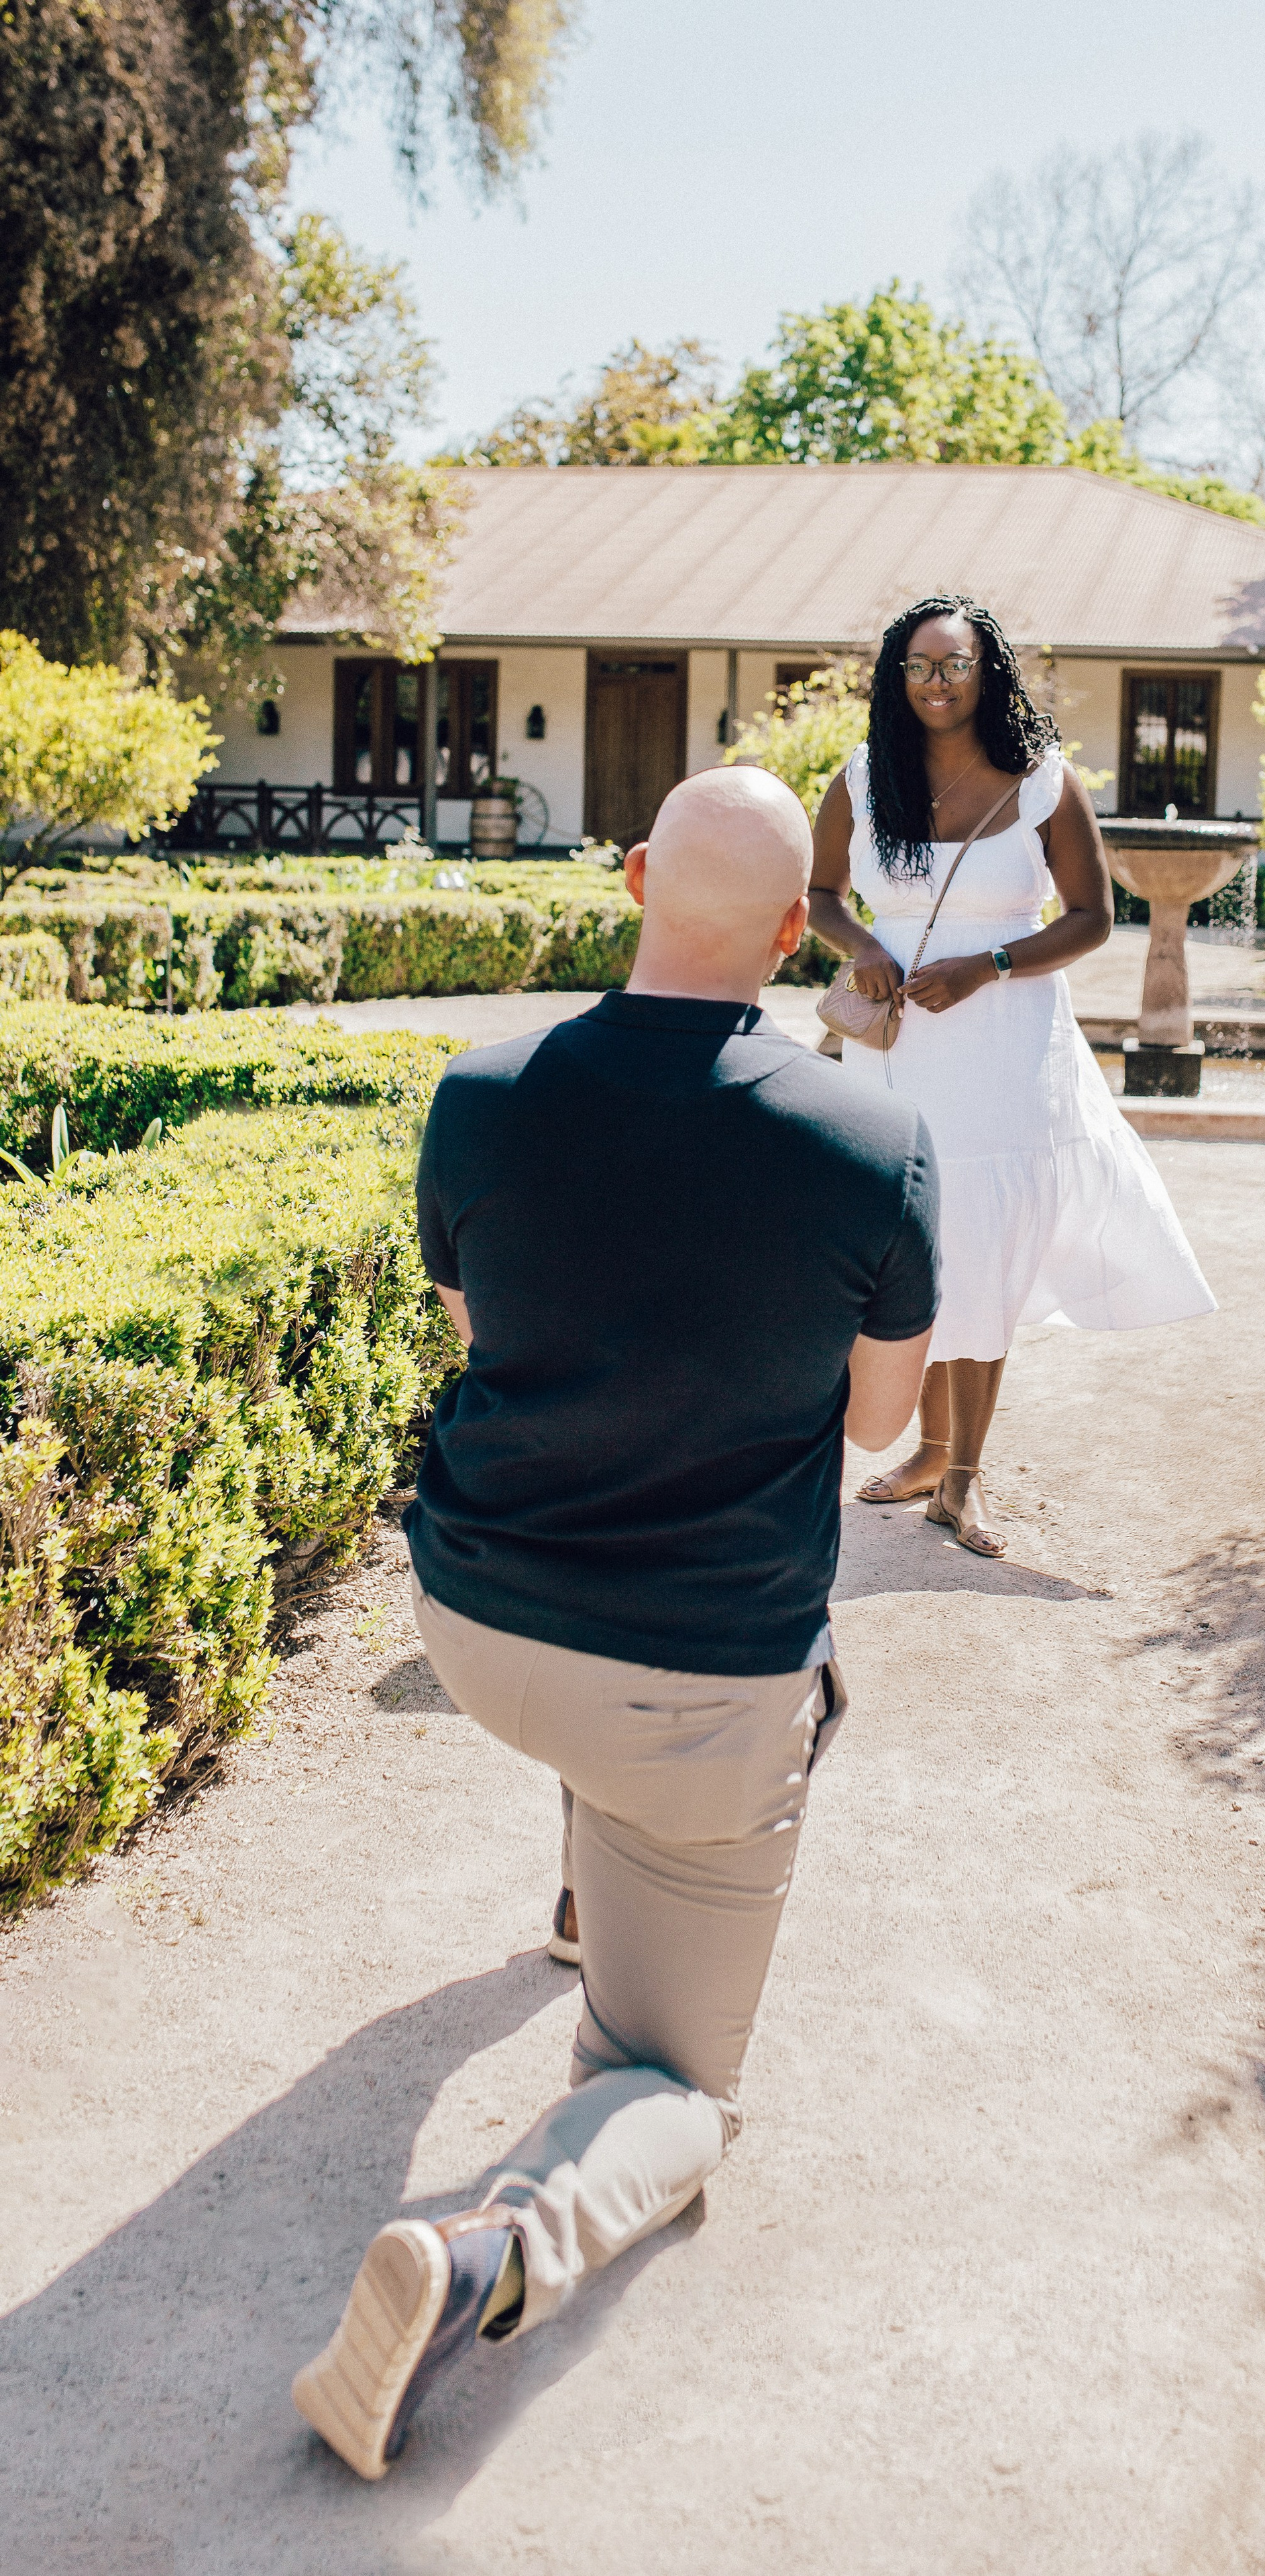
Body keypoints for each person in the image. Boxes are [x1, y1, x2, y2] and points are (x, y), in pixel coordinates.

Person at [291, 766, 938, 2481]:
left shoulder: (480, 1093)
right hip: (692, 1683)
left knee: (612, 1724)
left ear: (635, 876)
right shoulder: (872, 1139)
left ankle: (595, 1894)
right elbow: (879, 1425)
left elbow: (475, 1320)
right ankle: (497, 2252)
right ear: (796, 931)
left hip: (477, 1622)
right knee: (680, 2092)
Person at [809, 592, 1215, 1558]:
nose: (937, 681)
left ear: (987, 670)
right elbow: (819, 893)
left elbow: (1090, 917)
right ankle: (925, 1449)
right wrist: (863, 941)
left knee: (983, 1238)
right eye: (918, 665)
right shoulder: (865, 778)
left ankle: (963, 1479)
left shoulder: (1042, 783)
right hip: (895, 1043)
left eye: (954, 663)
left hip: (1004, 1045)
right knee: (913, 1246)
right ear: (894, 678)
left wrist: (988, 965)